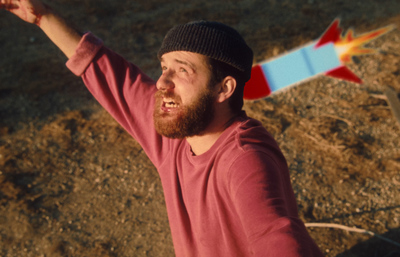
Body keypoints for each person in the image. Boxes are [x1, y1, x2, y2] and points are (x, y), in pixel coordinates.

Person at [1, 1, 324, 256]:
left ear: (223, 89)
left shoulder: (244, 159)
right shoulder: (178, 133)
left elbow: (275, 237)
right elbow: (106, 71)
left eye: (181, 71)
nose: (163, 83)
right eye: (164, 67)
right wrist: (43, 16)